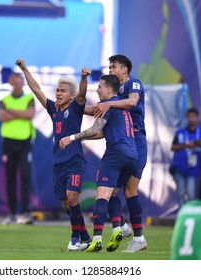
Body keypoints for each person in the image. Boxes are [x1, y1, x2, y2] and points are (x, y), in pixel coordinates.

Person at [16, 59, 91, 251]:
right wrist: (25, 69)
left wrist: (83, 78)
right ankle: (85, 236)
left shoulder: (76, 108)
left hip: (75, 160)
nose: (58, 93)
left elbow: (82, 93)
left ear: (71, 95)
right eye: (57, 90)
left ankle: (75, 237)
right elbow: (36, 90)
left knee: (72, 197)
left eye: (63, 91)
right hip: (58, 162)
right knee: (66, 203)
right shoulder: (53, 109)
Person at [60, 74, 138, 253]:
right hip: (132, 156)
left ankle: (96, 239)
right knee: (112, 194)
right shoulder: (119, 106)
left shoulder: (109, 105)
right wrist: (73, 105)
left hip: (115, 153)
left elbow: (96, 128)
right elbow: (100, 130)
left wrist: (72, 137)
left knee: (101, 195)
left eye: (100, 86)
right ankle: (120, 228)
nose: (97, 89)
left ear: (109, 90)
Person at [87, 54, 147, 253]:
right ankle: (123, 226)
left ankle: (138, 237)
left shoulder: (133, 85)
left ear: (125, 69)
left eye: (113, 67)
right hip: (122, 141)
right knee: (110, 190)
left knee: (130, 190)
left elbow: (132, 102)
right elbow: (99, 110)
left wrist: (110, 104)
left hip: (136, 141)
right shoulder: (114, 94)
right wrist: (73, 107)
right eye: (109, 67)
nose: (110, 70)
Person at [0, 72, 35, 225]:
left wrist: (11, 111)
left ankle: (25, 213)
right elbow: (0, 116)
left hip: (25, 142)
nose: (18, 85)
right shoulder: (4, 100)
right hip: (8, 143)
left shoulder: (29, 99)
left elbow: (29, 114)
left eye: (20, 82)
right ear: (11, 83)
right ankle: (12, 213)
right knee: (10, 178)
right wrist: (20, 114)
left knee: (25, 176)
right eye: (15, 82)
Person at [170, 107, 201, 209]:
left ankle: (191, 214)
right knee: (180, 193)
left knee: (191, 194)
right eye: (189, 117)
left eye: (193, 117)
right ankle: (181, 215)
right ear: (186, 118)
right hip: (180, 167)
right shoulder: (180, 133)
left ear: (197, 117)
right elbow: (172, 147)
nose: (191, 119)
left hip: (193, 169)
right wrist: (186, 145)